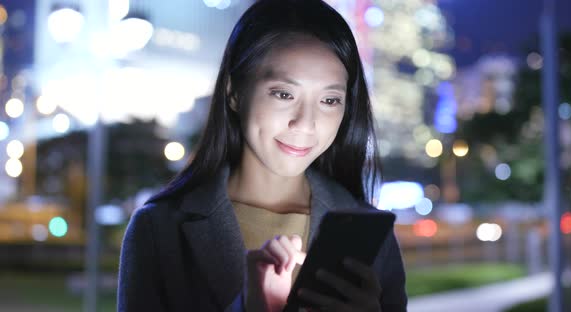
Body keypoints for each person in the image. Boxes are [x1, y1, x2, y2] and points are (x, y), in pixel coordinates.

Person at [117, 0, 407, 311]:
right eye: (284, 94)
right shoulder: (159, 229)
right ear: (234, 92)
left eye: (329, 99)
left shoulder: (371, 235)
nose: (305, 123)